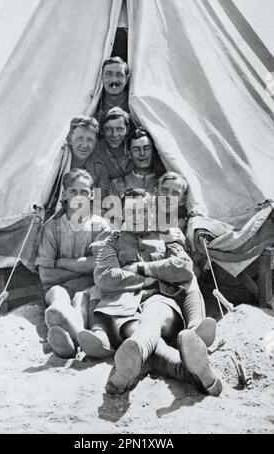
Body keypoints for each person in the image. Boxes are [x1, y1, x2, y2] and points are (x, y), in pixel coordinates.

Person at [79, 188, 222, 396]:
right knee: (146, 342)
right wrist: (153, 277)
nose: (138, 217)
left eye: (143, 211)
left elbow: (184, 267)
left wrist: (142, 269)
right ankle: (200, 376)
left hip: (159, 301)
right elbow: (105, 277)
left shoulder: (165, 237)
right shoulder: (112, 242)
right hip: (123, 309)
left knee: (150, 321)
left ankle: (122, 373)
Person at [35, 169, 111, 358]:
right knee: (57, 297)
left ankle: (69, 342)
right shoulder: (52, 228)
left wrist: (61, 262)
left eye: (84, 192)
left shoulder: (100, 226)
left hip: (88, 286)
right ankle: (77, 338)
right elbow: (45, 276)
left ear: (92, 195)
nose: (79, 197)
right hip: (58, 285)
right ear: (65, 195)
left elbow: (100, 263)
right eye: (73, 192)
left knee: (80, 301)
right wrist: (83, 267)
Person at [61, 115, 110, 201]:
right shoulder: (57, 166)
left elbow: (97, 205)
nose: (84, 145)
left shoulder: (99, 170)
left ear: (95, 143)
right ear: (69, 139)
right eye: (79, 139)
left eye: (90, 140)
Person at [94, 107, 133, 182]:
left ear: (127, 129)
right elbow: (97, 183)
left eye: (120, 129)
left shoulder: (135, 146)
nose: (114, 134)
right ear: (102, 130)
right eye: (108, 129)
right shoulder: (96, 151)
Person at [95, 57, 129, 123]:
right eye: (109, 74)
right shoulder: (95, 103)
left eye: (119, 75)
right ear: (102, 78)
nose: (114, 80)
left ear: (126, 79)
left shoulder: (134, 103)